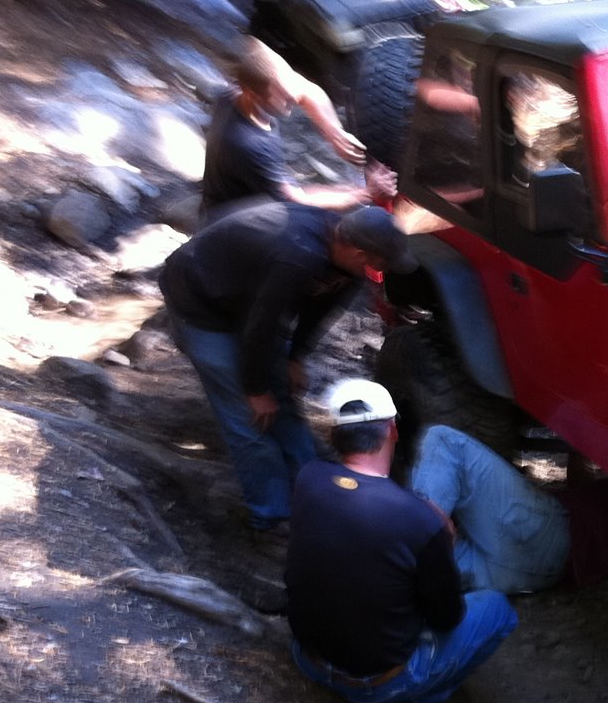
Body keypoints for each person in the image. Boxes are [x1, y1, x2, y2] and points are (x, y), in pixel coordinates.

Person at [286, 380, 518, 703]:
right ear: (392, 430)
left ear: (332, 435)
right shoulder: (420, 523)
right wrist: (442, 545)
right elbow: (447, 618)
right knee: (497, 609)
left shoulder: (308, 479)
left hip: (307, 657)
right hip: (373, 682)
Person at [158, 202, 417, 535]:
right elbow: (260, 326)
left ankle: (319, 495)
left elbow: (318, 311)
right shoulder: (296, 254)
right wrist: (255, 390)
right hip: (200, 302)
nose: (381, 271)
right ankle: (270, 518)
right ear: (358, 252)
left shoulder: (349, 262)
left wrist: (295, 358)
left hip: (249, 302)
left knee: (283, 403)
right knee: (246, 418)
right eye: (381, 262)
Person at [407, 424, 608, 596]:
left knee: (443, 441)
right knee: (413, 573)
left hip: (540, 534)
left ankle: (416, 537)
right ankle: (410, 552)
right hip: (535, 574)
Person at [201, 37, 395, 221]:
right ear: (253, 95)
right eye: (284, 97)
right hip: (235, 219)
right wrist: (366, 193)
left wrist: (335, 133)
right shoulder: (249, 144)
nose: (294, 98)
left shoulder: (241, 91)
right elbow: (297, 200)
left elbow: (306, 91)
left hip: (261, 191)